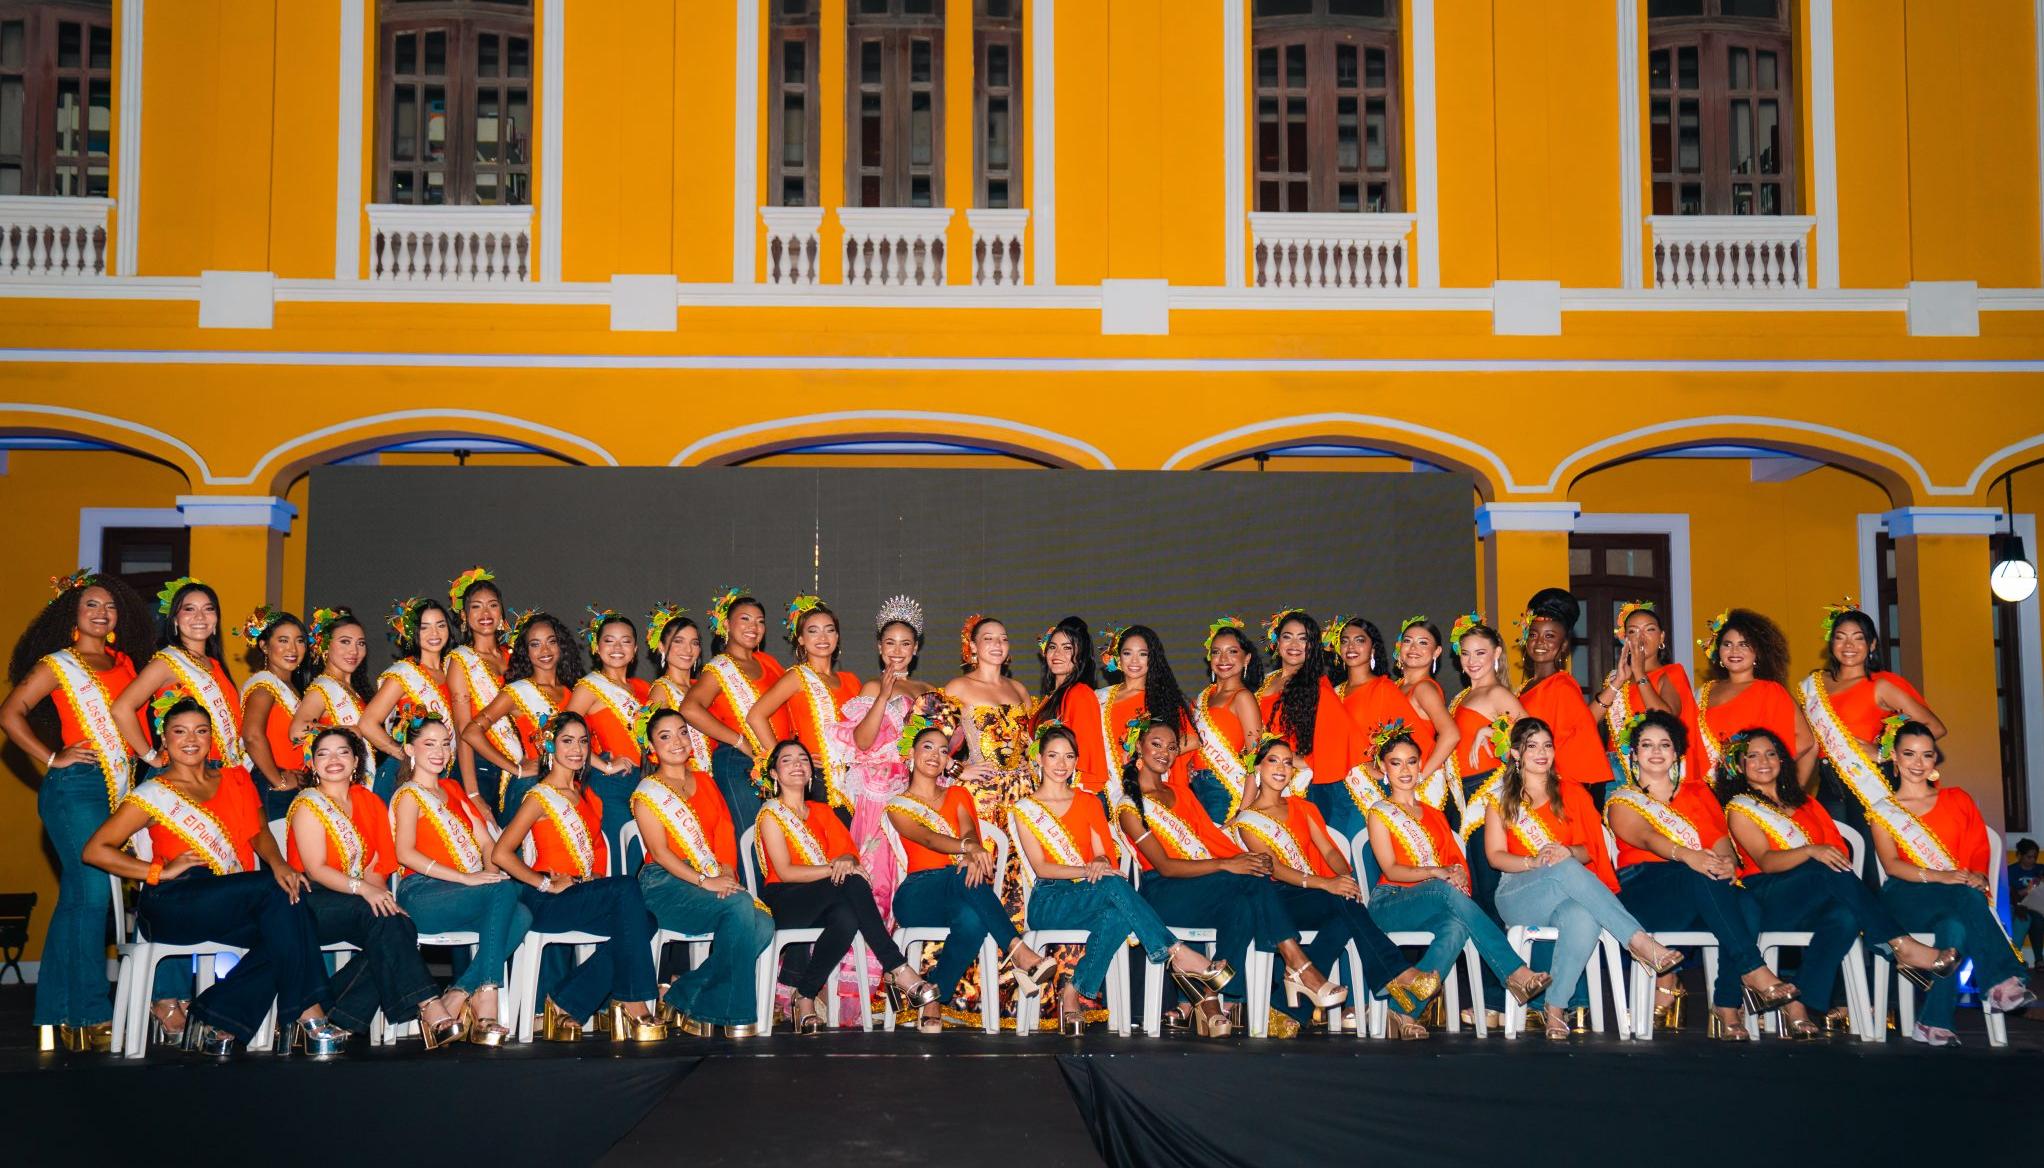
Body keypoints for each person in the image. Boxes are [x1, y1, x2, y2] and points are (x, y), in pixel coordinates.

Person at [81, 698, 343, 1056]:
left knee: (288, 927)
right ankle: (311, 1016)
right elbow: (95, 850)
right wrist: (158, 870)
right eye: (180, 731)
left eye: (201, 731)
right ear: (165, 740)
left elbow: (259, 833)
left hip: (227, 899)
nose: (191, 739)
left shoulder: (234, 778)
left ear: (211, 738)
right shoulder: (152, 793)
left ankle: (217, 1015)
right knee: (277, 897)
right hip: (173, 903)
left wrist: (279, 863)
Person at [1115, 718, 1349, 1039]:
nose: (1165, 753)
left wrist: (1249, 859)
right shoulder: (1129, 807)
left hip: (1203, 889)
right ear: (1138, 748)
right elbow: (1166, 866)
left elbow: (1213, 839)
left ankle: (1212, 999)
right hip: (1164, 894)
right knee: (1248, 880)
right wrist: (1229, 864)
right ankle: (1297, 964)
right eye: (1156, 744)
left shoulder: (1181, 793)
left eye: (1172, 747)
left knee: (1244, 898)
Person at [1715, 726, 1956, 1036]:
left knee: (1843, 917)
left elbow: (1838, 852)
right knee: (1822, 867)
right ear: (1739, 764)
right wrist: (1811, 851)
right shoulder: (1740, 808)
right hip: (1766, 896)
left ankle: (1799, 1003)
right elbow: (1766, 861)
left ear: (1782, 760)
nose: (1764, 761)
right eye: (1753, 755)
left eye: (1771, 753)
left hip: (1812, 895)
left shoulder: (1805, 803)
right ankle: (1900, 944)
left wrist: (1820, 855)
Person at [1, 570, 150, 1051]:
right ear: (73, 614)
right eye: (91, 605)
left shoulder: (124, 661)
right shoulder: (58, 664)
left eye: (109, 606)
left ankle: (56, 1015)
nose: (101, 612)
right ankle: (89, 1013)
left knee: (78, 900)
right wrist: (50, 757)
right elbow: (9, 713)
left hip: (117, 787)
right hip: (75, 786)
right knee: (91, 894)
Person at [1013, 722, 1228, 1035]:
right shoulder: (1025, 808)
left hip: (1093, 893)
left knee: (1117, 913)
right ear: (1040, 759)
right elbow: (1042, 868)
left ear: (1076, 761)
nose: (1061, 765)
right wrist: (1088, 869)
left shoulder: (1088, 802)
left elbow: (1104, 856)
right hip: (1050, 900)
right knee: (1114, 885)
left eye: (1069, 757)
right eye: (1053, 756)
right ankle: (1178, 953)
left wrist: (1099, 861)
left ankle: (1072, 993)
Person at [1482, 717, 1684, 1041]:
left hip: (1565, 891)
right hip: (1518, 892)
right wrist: (1534, 861)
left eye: (1547, 745)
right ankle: (1639, 942)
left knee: (1584, 916)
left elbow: (1590, 851)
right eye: (1532, 746)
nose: (1541, 752)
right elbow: (1494, 856)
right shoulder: (1501, 800)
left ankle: (1555, 1008)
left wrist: (1566, 853)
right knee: (1561, 867)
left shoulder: (1571, 793)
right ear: (1516, 754)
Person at [1605, 710, 1802, 1039]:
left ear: (1677, 753)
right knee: (1699, 874)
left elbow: (1721, 842)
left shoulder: (1698, 793)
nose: (1656, 751)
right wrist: (1688, 856)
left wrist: (1726, 863)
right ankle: (1754, 971)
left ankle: (1725, 1006)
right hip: (1646, 890)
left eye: (1664, 745)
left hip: (1702, 889)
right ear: (1634, 754)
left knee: (1747, 903)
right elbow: (1646, 837)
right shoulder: (1624, 799)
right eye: (1647, 745)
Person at [1230, 734, 1442, 1038]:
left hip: (1313, 894)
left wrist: (1344, 877)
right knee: (1343, 905)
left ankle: (1286, 1008)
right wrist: (1326, 883)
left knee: (1345, 906)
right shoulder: (1248, 820)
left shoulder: (1304, 808)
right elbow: (1272, 867)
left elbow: (1330, 851)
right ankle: (1396, 972)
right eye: (1272, 760)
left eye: (1287, 762)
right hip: (1276, 902)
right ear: (1257, 768)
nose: (1281, 768)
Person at [489, 710, 667, 1042]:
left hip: (577, 895)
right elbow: (500, 853)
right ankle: (634, 1000)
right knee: (627, 886)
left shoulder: (583, 795)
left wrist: (595, 876)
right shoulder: (538, 796)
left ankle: (566, 999)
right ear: (550, 747)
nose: (577, 749)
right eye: (567, 741)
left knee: (647, 921)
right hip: (545, 900)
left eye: (583, 741)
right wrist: (543, 882)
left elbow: (590, 857)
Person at [1362, 722, 1553, 1026]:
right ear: (1384, 767)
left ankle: (1404, 1014)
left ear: (1420, 764)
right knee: (1442, 889)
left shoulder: (1436, 815)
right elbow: (1391, 868)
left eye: (1411, 761)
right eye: (1395, 763)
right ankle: (1514, 972)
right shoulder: (1379, 811)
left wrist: (1459, 874)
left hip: (1436, 901)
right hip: (1392, 902)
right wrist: (1439, 872)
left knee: (1456, 927)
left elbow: (1455, 861)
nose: (1405, 770)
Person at [287, 725, 463, 1047]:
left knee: (397, 923)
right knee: (385, 921)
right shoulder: (307, 803)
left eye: (343, 752)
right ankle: (430, 1005)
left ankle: (334, 1014)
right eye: (323, 754)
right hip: (312, 901)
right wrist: (366, 892)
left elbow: (377, 865)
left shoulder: (368, 801)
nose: (334, 760)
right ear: (312, 764)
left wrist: (380, 894)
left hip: (354, 902)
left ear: (356, 761)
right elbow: (316, 869)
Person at [751, 738, 941, 1033]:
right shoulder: (770, 814)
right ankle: (898, 968)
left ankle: (805, 995)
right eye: (786, 760)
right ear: (774, 774)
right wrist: (835, 866)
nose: (797, 764)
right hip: (785, 900)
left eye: (802, 758)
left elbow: (848, 854)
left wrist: (843, 862)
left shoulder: (823, 812)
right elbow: (786, 871)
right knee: (850, 882)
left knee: (847, 917)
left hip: (825, 895)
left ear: (811, 771)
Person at [887, 712, 1057, 1032]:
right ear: (911, 754)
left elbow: (969, 832)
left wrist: (970, 847)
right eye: (928, 747)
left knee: (973, 919)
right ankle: (1018, 951)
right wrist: (967, 850)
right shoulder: (898, 804)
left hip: (960, 887)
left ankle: (935, 995)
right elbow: (927, 837)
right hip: (918, 894)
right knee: (962, 877)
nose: (936, 755)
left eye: (942, 750)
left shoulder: (958, 793)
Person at [1869, 720, 2034, 1045]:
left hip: (1957, 895)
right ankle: (2001, 980)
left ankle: (1932, 1022)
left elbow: (1977, 849)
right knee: (1963, 895)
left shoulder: (1958, 799)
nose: (1918, 763)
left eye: (1927, 755)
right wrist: (1940, 876)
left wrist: (1978, 875)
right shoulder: (1884, 811)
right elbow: (1891, 865)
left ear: (1935, 760)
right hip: (1906, 896)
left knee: (1956, 928)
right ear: (1895, 759)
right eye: (1910, 754)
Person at [631, 706, 774, 1038]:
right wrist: (705, 880)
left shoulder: (706, 782)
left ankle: (682, 994)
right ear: (651, 747)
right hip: (663, 884)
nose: (677, 741)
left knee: (763, 924)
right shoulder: (646, 794)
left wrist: (724, 870)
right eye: (665, 736)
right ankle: (735, 1015)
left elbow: (724, 830)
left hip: (709, 878)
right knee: (741, 909)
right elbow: (662, 853)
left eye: (682, 731)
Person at [389, 713, 528, 1045]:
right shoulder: (409, 794)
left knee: (524, 914)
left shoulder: (452, 788)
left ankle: (459, 993)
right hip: (421, 893)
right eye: (428, 744)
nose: (439, 752)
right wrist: (467, 879)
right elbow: (405, 853)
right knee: (507, 894)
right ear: (410, 749)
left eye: (444, 745)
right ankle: (487, 996)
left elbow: (486, 843)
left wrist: (490, 877)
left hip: (462, 893)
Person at [1800, 603, 1946, 847]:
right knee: (1836, 859)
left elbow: (1935, 727)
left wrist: (1884, 752)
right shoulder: (1814, 686)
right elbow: (1809, 745)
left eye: (1859, 638)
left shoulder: (1880, 685)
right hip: (1828, 783)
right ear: (1831, 642)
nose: (1849, 646)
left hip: (1869, 781)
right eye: (1841, 637)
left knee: (1872, 860)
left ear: (1872, 645)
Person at [827, 596, 934, 917]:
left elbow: (938, 745)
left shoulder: (929, 689)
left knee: (913, 874)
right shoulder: (873, 686)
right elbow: (861, 741)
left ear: (915, 649)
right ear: (879, 647)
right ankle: (871, 962)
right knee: (879, 875)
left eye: (905, 644)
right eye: (890, 643)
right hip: (880, 794)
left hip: (918, 792)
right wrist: (884, 696)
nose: (897, 651)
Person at [943, 615, 1038, 904]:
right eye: (989, 638)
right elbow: (925, 743)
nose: (997, 644)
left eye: (1003, 638)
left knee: (1022, 872)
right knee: (981, 871)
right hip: (982, 795)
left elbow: (1032, 744)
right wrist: (957, 768)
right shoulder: (958, 687)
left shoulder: (1019, 689)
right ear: (972, 646)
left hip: (1023, 794)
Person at [681, 588, 786, 833]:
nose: (754, 626)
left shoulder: (768, 662)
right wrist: (739, 741)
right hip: (738, 760)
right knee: (751, 833)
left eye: (760, 621)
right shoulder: (719, 667)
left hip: (770, 757)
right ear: (726, 624)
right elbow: (689, 708)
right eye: (745, 619)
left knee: (775, 836)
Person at [747, 596, 861, 816]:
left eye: (829, 630)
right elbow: (756, 716)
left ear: (837, 636)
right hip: (816, 778)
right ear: (800, 639)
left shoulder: (852, 681)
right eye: (813, 631)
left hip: (854, 779)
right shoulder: (797, 678)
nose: (822, 637)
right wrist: (787, 759)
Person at [462, 611, 580, 816]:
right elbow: (470, 732)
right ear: (526, 651)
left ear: (561, 645)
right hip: (532, 786)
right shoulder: (517, 691)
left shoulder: (573, 691)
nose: (545, 650)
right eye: (535, 644)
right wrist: (515, 769)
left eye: (551, 641)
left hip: (571, 785)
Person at [1256, 610, 1359, 837]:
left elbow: (1339, 738)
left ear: (1312, 646)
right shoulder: (1266, 682)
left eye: (1303, 638)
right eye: (1287, 636)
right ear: (1276, 640)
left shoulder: (1317, 686)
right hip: (1261, 778)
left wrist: (1302, 761)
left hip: (1295, 783)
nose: (1294, 644)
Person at [1696, 609, 1816, 792]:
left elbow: (1805, 740)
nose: (1734, 650)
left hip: (1751, 790)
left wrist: (1761, 768)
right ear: (1717, 651)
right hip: (1707, 792)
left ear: (1757, 653)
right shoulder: (1703, 692)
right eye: (1727, 644)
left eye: (1744, 644)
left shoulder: (1770, 691)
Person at [563, 608, 651, 854]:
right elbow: (561, 734)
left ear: (634, 651)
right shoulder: (589, 687)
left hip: (646, 778)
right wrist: (603, 766)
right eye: (609, 641)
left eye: (626, 641)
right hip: (613, 782)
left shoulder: (643, 689)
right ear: (597, 648)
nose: (617, 647)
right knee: (625, 851)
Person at [1587, 601, 1699, 788]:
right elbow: (1586, 722)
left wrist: (1639, 673)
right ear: (1624, 638)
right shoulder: (1616, 679)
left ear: (1662, 637)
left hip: (1656, 767)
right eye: (1633, 631)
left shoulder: (1671, 673)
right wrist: (1617, 682)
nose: (1641, 637)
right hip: (1616, 771)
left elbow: (1666, 718)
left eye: (1649, 630)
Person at [356, 597, 456, 803]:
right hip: (401, 773)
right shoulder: (404, 673)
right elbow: (367, 723)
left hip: (440, 769)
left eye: (440, 625)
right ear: (413, 633)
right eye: (425, 627)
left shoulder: (451, 671)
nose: (434, 633)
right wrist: (403, 754)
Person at [1516, 589, 1611, 790]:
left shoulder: (1562, 686)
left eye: (1550, 636)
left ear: (1564, 645)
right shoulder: (1523, 688)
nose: (1540, 642)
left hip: (1553, 790)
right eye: (1533, 634)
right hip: (1526, 785)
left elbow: (1576, 746)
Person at [1092, 624, 1192, 804]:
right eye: (1127, 653)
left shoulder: (1162, 698)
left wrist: (1148, 755)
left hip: (1146, 786)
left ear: (1152, 659)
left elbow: (1191, 740)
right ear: (1118, 657)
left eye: (1143, 654)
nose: (1134, 661)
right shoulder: (1099, 697)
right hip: (1105, 790)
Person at [445, 567, 513, 816]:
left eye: (493, 605)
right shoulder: (461, 661)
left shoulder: (514, 657)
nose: (486, 613)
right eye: (476, 607)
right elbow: (464, 729)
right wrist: (472, 792)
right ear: (464, 615)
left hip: (515, 765)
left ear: (502, 613)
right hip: (478, 766)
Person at [1183, 616, 1263, 824]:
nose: (1223, 658)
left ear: (1246, 659)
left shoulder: (1243, 697)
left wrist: (1243, 811)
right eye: (1216, 652)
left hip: (1225, 791)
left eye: (1232, 651)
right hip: (1197, 790)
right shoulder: (1201, 698)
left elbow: (1256, 757)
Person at [237, 606, 307, 819]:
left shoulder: (291, 688)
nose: (293, 649)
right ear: (264, 646)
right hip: (272, 787)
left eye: (300, 640)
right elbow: (251, 735)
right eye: (283, 640)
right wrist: (278, 780)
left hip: (291, 784)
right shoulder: (264, 686)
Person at [286, 606, 373, 772]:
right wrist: (346, 730)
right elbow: (297, 731)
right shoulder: (322, 688)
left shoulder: (354, 689)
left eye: (360, 643)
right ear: (325, 645)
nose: (354, 651)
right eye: (345, 642)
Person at [1033, 617, 1109, 795]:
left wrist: (1077, 800)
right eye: (1053, 647)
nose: (1057, 654)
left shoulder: (1079, 693)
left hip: (1073, 793)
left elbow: (1088, 756)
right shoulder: (1050, 697)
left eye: (1067, 648)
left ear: (1080, 656)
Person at [1392, 617, 1461, 783]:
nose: (1413, 647)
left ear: (1436, 652)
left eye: (1423, 643)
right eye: (1407, 641)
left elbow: (1451, 734)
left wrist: (1421, 777)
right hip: (1398, 775)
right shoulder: (1395, 686)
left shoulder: (1424, 688)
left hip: (1416, 780)